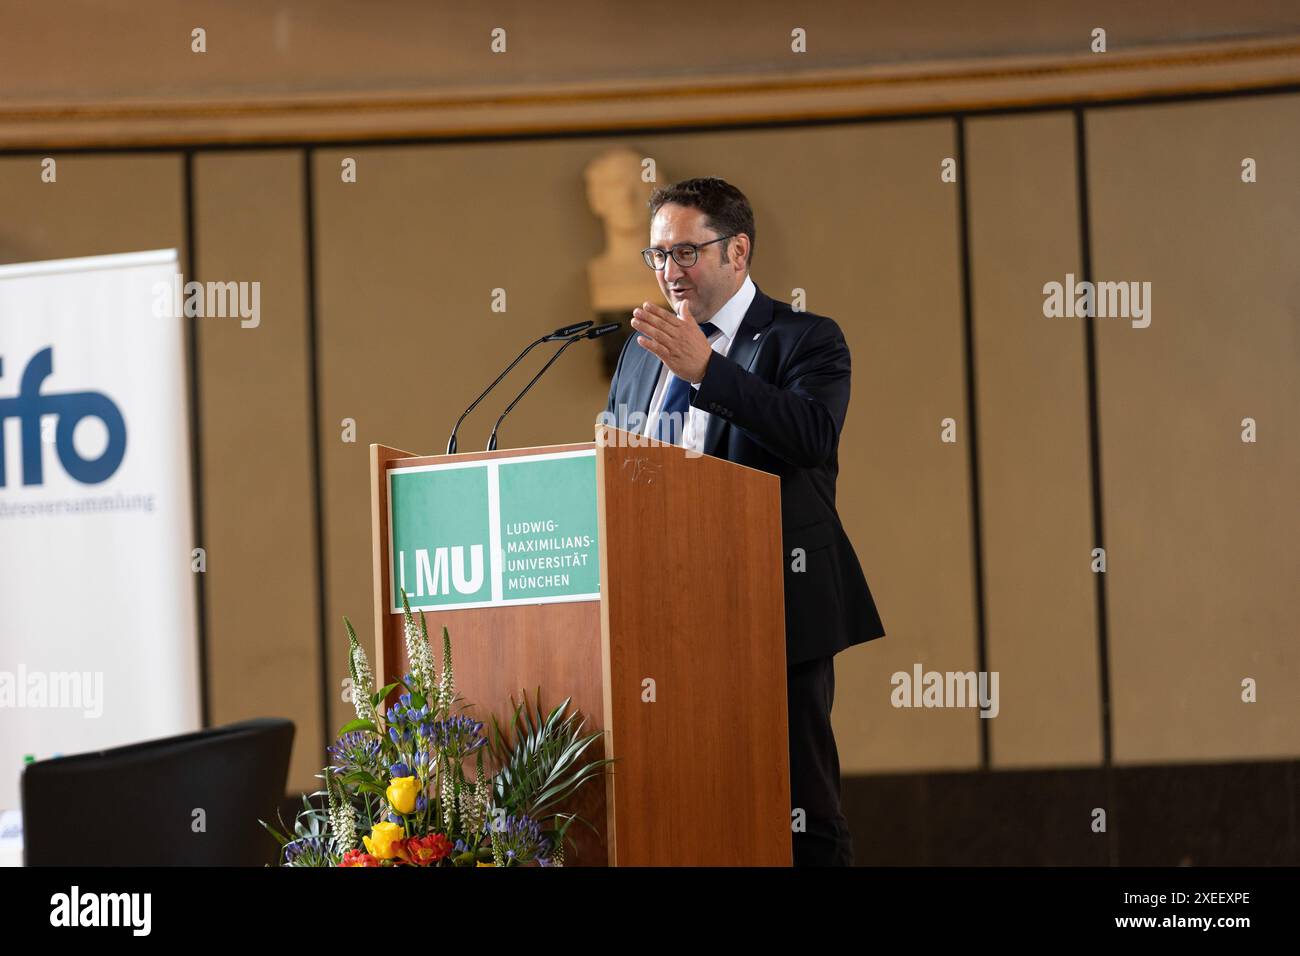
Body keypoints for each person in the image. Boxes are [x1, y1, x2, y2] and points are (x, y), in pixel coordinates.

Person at [603, 176, 886, 866]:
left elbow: (811, 437)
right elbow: (619, 466)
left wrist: (709, 372)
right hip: (665, 618)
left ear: (738, 253)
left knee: (801, 810)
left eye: (686, 253)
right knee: (688, 802)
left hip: (773, 609)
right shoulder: (641, 359)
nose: (670, 272)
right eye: (658, 256)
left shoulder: (805, 339)